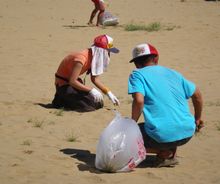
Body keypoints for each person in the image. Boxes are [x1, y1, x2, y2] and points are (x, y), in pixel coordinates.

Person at [128, 43, 204, 167]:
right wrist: (197, 118)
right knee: (169, 119)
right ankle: (170, 153)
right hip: (187, 132)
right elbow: (197, 95)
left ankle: (164, 152)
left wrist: (132, 123)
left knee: (128, 138)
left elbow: (139, 100)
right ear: (156, 58)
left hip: (162, 135)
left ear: (136, 64)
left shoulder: (137, 75)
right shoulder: (173, 73)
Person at [52, 34, 120, 112]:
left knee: (98, 103)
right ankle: (60, 99)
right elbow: (72, 81)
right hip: (63, 85)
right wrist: (92, 90)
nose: (108, 54)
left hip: (73, 84)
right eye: (108, 51)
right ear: (101, 51)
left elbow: (95, 79)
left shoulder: (94, 57)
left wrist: (108, 92)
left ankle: (63, 99)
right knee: (89, 105)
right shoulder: (81, 58)